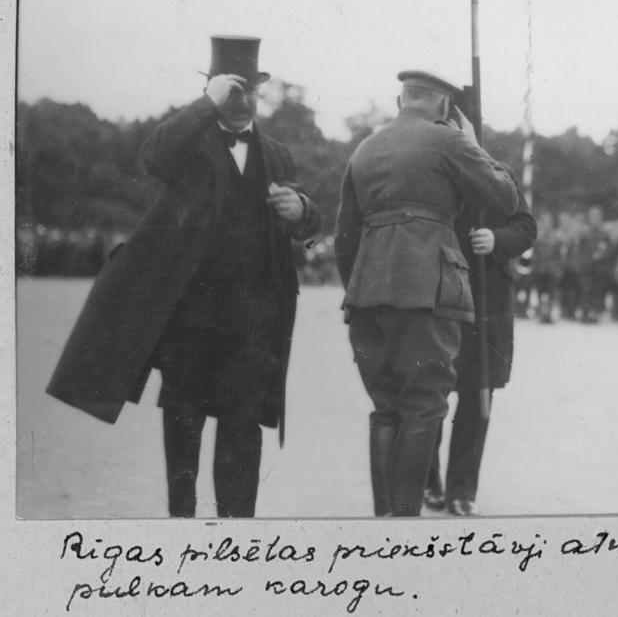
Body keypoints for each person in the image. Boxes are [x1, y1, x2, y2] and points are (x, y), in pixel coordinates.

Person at [48, 36, 321, 517]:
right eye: (231, 90)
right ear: (212, 90)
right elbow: (152, 155)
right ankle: (182, 519)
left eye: (249, 91)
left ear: (260, 92)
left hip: (251, 320)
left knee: (242, 425)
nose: (241, 101)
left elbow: (305, 216)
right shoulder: (189, 141)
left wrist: (302, 209)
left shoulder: (276, 153)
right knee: (183, 418)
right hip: (188, 315)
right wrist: (205, 106)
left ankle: (237, 527)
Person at [334, 70, 518, 517]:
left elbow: (344, 236)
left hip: (367, 292)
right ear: (443, 104)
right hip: (426, 292)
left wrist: (360, 288)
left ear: (402, 99)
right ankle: (404, 523)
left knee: (386, 407)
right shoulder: (448, 141)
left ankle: (386, 519)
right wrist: (472, 144)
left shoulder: (365, 147)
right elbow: (505, 199)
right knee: (424, 406)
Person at [424, 171, 537, 515]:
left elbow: (526, 226)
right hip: (438, 296)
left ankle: (462, 490)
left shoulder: (497, 175)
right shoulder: (430, 168)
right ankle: (428, 480)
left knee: (477, 396)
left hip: (487, 303)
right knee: (429, 394)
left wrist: (497, 239)